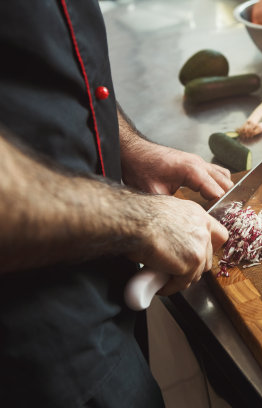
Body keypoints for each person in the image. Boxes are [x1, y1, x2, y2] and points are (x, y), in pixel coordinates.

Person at [0, 1, 233, 406]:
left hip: (104, 284)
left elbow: (46, 65)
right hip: (34, 354)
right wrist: (141, 220)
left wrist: (129, 148)